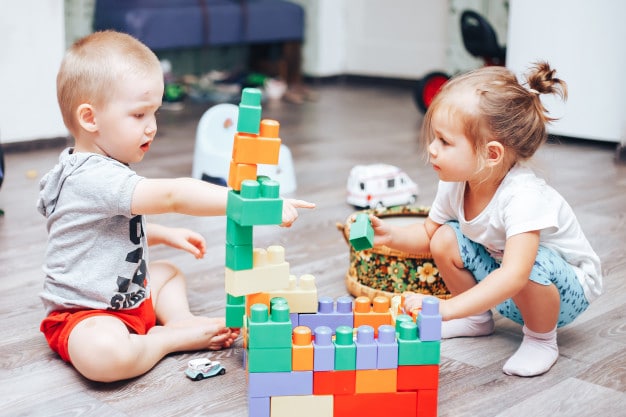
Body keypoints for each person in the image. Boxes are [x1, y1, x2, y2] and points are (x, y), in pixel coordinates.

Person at [37, 30, 315, 383]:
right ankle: (166, 339)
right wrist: (244, 203)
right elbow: (174, 195)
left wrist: (161, 234)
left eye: (154, 113)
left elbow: (96, 236)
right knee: (106, 357)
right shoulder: (91, 178)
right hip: (87, 315)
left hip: (129, 299)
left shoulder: (94, 167)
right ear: (90, 119)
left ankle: (179, 318)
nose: (152, 127)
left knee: (168, 272)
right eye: (139, 115)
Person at [368, 62, 602, 377]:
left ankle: (541, 339)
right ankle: (475, 318)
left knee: (530, 263)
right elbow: (429, 234)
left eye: (445, 142)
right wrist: (391, 236)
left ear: (491, 154)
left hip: (563, 293)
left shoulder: (523, 197)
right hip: (510, 280)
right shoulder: (454, 182)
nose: (432, 149)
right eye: (435, 138)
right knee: (444, 237)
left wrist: (446, 309)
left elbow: (515, 275)